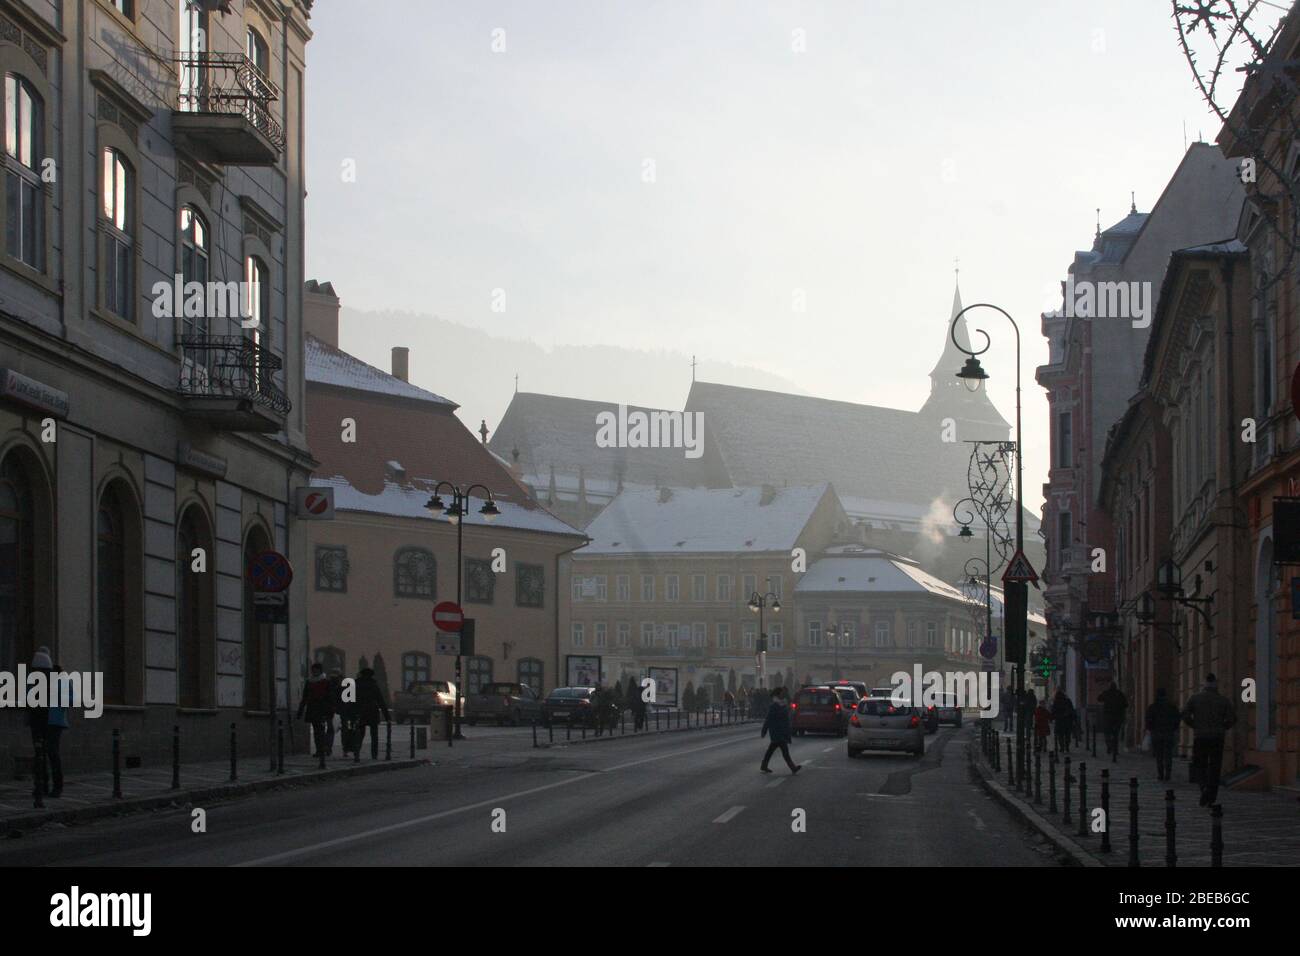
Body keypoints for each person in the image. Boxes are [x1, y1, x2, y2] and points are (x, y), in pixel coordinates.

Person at [1182, 673, 1236, 806]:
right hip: (1217, 737)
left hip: (1200, 736)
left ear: (1203, 684)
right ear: (1216, 684)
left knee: (1200, 765)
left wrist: (1194, 725)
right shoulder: (1223, 700)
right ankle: (1211, 795)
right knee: (1215, 766)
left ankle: (1204, 788)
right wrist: (1223, 727)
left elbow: (1184, 714)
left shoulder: (1195, 698)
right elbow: (1232, 718)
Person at [759, 686, 801, 774]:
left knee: (771, 749)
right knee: (784, 750)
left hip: (781, 730)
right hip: (777, 731)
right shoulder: (774, 705)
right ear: (778, 694)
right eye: (782, 693)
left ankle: (764, 765)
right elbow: (768, 718)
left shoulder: (783, 704)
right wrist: (764, 730)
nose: (783, 694)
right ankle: (793, 767)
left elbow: (786, 717)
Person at [1145, 687, 1181, 782]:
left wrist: (1151, 728)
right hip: (1169, 733)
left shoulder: (1152, 707)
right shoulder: (1172, 707)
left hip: (1156, 734)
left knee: (1159, 755)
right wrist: (1173, 728)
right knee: (1168, 755)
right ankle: (1168, 774)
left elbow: (1148, 721)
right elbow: (1177, 719)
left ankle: (1160, 774)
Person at [355, 667, 391, 759]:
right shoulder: (373, 685)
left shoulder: (356, 684)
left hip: (360, 711)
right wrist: (387, 716)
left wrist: (351, 712)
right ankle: (374, 755)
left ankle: (357, 753)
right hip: (372, 711)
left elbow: (351, 700)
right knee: (374, 735)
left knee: (360, 734)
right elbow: (380, 700)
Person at [297, 663, 332, 757]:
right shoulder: (309, 682)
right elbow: (305, 697)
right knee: (317, 731)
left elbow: (330, 698)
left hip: (322, 709)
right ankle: (319, 750)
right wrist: (300, 710)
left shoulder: (326, 682)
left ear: (320, 670)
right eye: (313, 670)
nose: (314, 672)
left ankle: (324, 749)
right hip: (312, 708)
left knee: (321, 730)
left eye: (316, 670)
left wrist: (329, 710)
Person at [1099, 680, 1128, 763]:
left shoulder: (1106, 693)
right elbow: (1126, 704)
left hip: (1108, 717)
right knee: (1116, 733)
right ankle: (1115, 749)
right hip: (1118, 717)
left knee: (1107, 732)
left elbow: (1099, 698)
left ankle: (1109, 746)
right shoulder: (1119, 694)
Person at [324, 669, 344, 756]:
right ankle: (327, 747)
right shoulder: (338, 686)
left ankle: (327, 747)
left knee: (330, 729)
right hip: (332, 710)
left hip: (332, 710)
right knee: (330, 729)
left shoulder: (331, 685)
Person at [1051, 689, 1075, 754]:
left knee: (1060, 735)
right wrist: (1073, 719)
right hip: (1067, 721)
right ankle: (1067, 747)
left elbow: (1053, 712)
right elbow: (1072, 710)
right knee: (1067, 735)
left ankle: (1062, 747)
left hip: (1059, 721)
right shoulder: (1068, 701)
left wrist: (1053, 718)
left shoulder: (1056, 702)